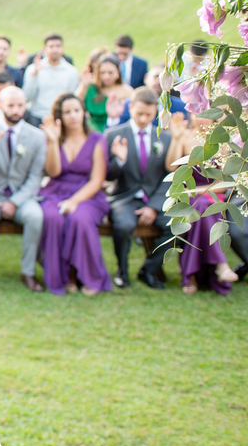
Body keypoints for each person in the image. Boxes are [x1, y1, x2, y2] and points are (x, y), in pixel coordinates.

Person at [0, 86, 47, 291]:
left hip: (21, 196)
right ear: (0, 105)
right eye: (11, 105)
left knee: (35, 216)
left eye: (20, 105)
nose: (16, 110)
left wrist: (14, 202)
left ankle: (28, 272)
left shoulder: (37, 136)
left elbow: (36, 177)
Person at [37, 93, 112, 296]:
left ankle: (88, 276)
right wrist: (53, 142)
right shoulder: (55, 137)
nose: (73, 116)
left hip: (88, 194)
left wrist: (74, 200)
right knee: (53, 217)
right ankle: (63, 277)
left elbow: (97, 180)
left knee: (79, 218)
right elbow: (53, 172)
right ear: (60, 116)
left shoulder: (97, 139)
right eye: (67, 112)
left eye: (76, 110)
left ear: (84, 113)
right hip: (55, 191)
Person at [105, 88, 172, 289]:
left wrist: (153, 206)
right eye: (139, 113)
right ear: (131, 108)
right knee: (124, 226)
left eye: (148, 115)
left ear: (155, 112)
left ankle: (148, 269)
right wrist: (119, 160)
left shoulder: (166, 138)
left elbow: (169, 177)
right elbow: (107, 176)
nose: (143, 119)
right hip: (124, 198)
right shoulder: (113, 134)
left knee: (178, 225)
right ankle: (122, 270)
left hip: (154, 199)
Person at [164, 113, 239, 295]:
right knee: (199, 207)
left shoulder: (221, 142)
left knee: (202, 207)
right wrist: (176, 138)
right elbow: (170, 168)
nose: (200, 119)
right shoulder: (185, 136)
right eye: (196, 114)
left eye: (206, 114)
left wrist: (197, 192)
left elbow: (224, 184)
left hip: (212, 197)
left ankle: (190, 276)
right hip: (186, 197)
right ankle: (221, 265)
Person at [22, 33, 80, 127]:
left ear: (63, 48)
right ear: (44, 49)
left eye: (58, 46)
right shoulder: (32, 69)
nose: (55, 49)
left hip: (60, 118)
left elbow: (72, 97)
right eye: (51, 46)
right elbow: (26, 97)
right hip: (36, 117)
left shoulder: (72, 71)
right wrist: (34, 75)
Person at [116, 64, 187, 125]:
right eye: (157, 77)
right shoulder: (127, 104)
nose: (160, 82)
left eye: (165, 79)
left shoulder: (181, 107)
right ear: (146, 78)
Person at [79, 54, 132, 132]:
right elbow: (77, 102)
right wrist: (83, 86)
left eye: (110, 72)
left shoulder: (126, 91)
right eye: (102, 72)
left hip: (117, 130)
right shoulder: (90, 87)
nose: (106, 76)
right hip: (92, 131)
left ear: (118, 72)